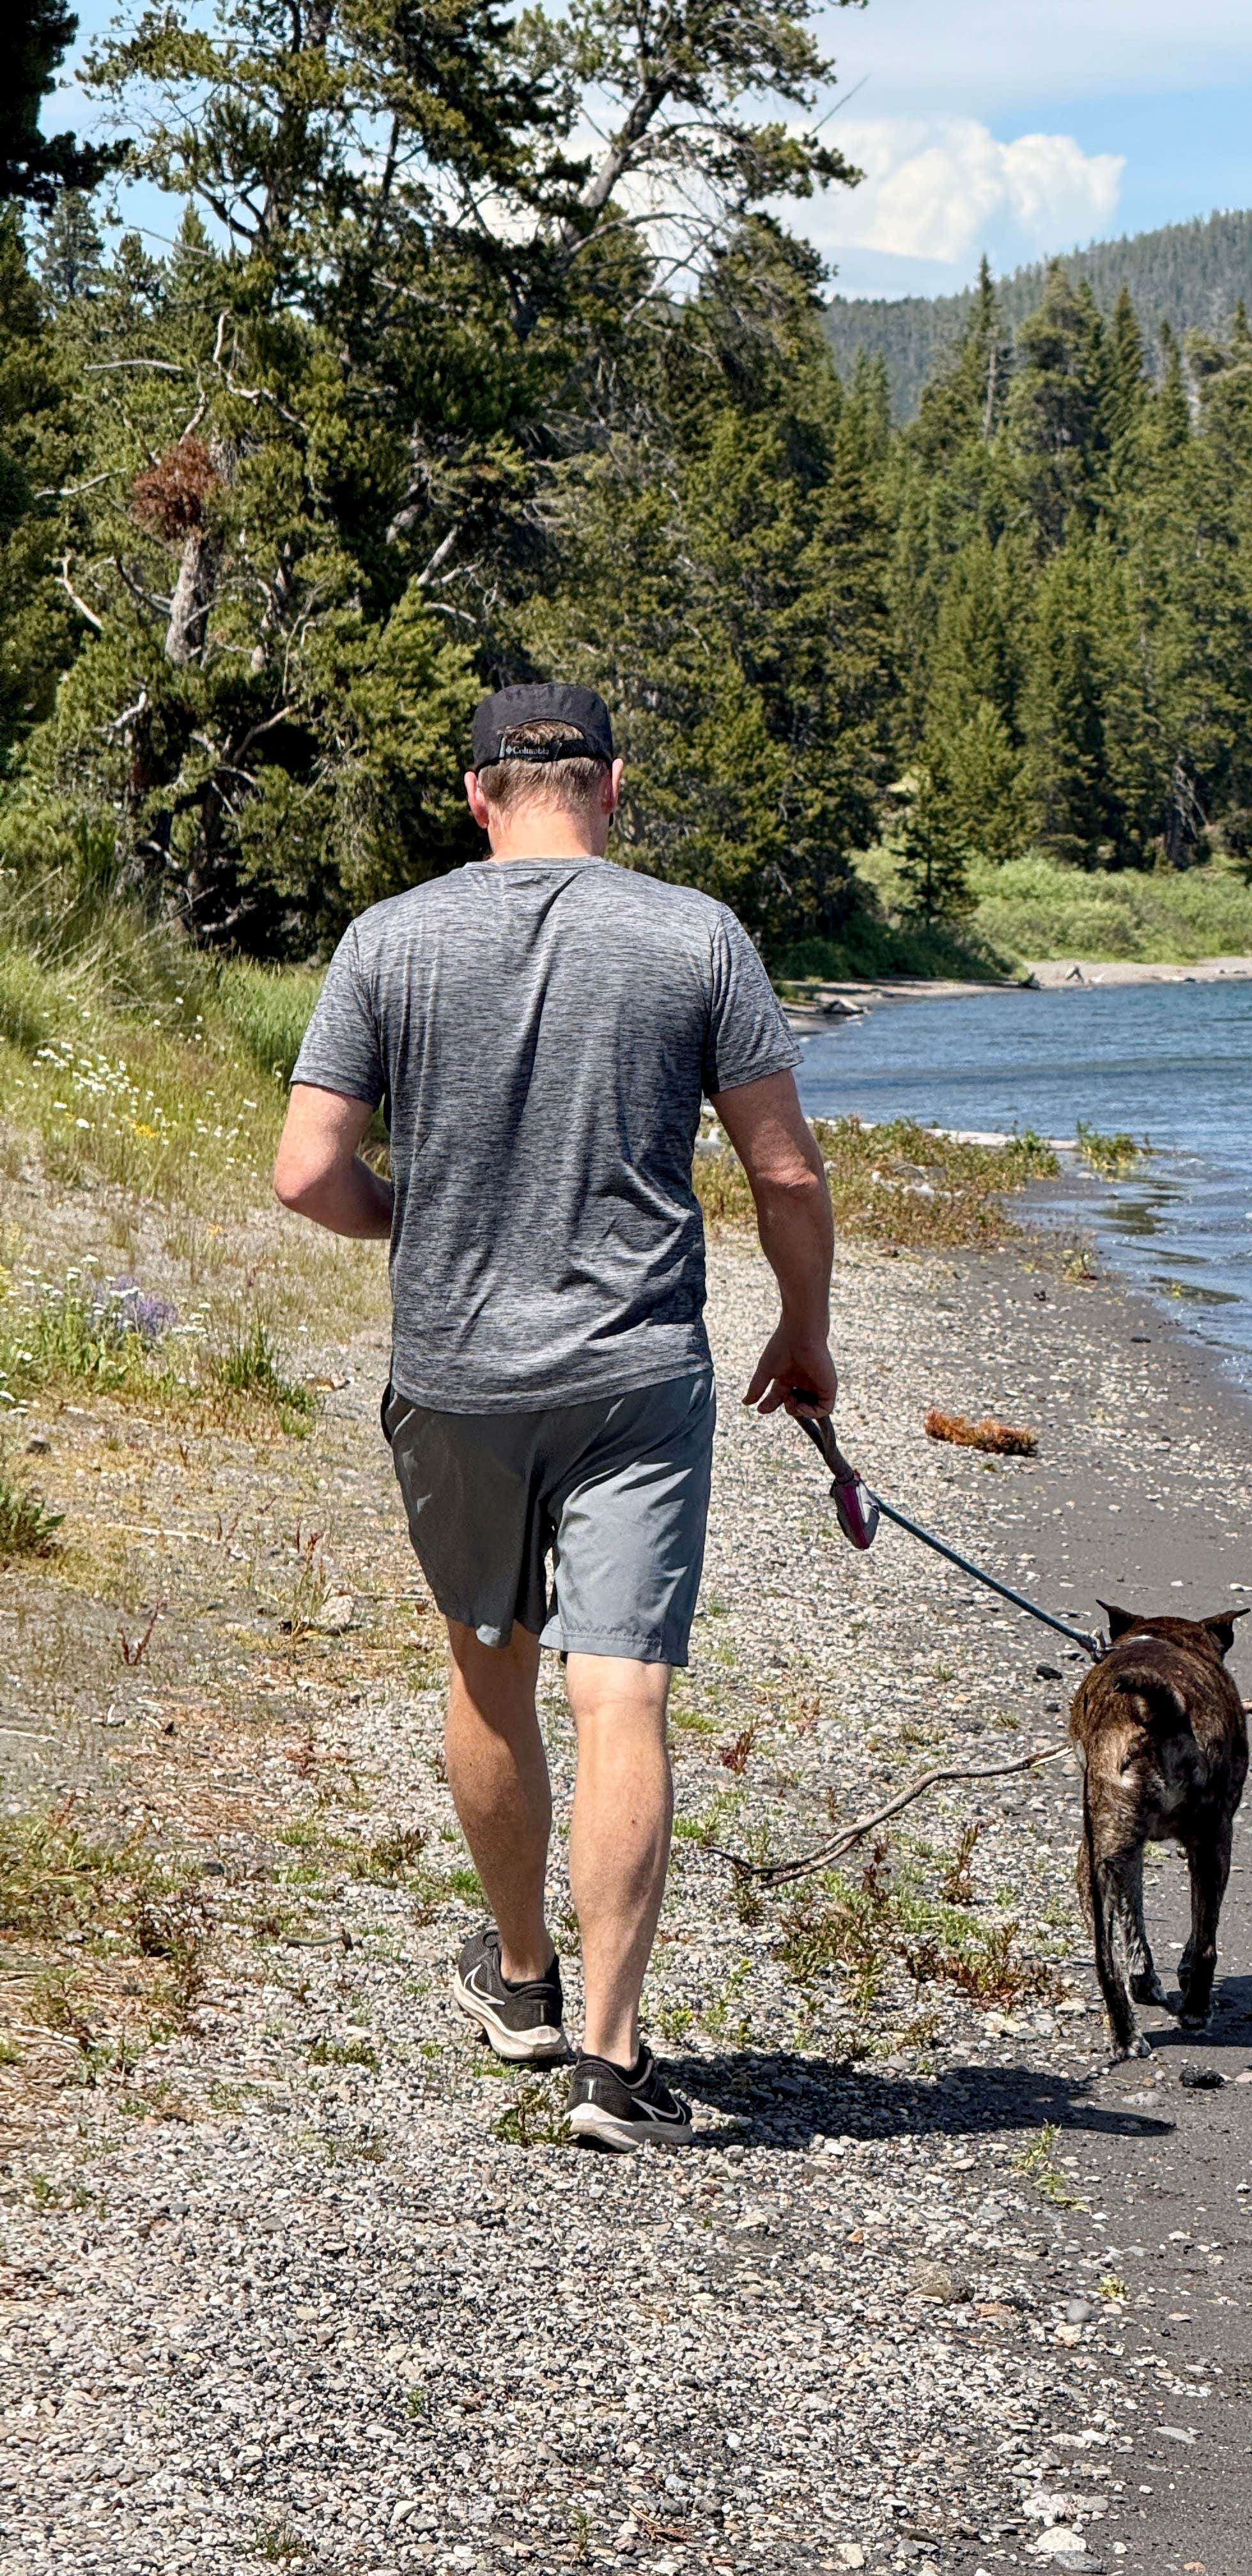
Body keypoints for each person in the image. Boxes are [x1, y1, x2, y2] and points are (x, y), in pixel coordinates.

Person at [273, 682, 837, 2150]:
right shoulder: (692, 935)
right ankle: (610, 2058)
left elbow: (304, 1172)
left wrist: (412, 1218)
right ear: (613, 786)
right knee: (624, 1693)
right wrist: (806, 1335)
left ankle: (519, 1978)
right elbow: (784, 1173)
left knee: (487, 1668)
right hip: (635, 1371)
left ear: (475, 796)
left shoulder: (387, 941)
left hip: (456, 1370)